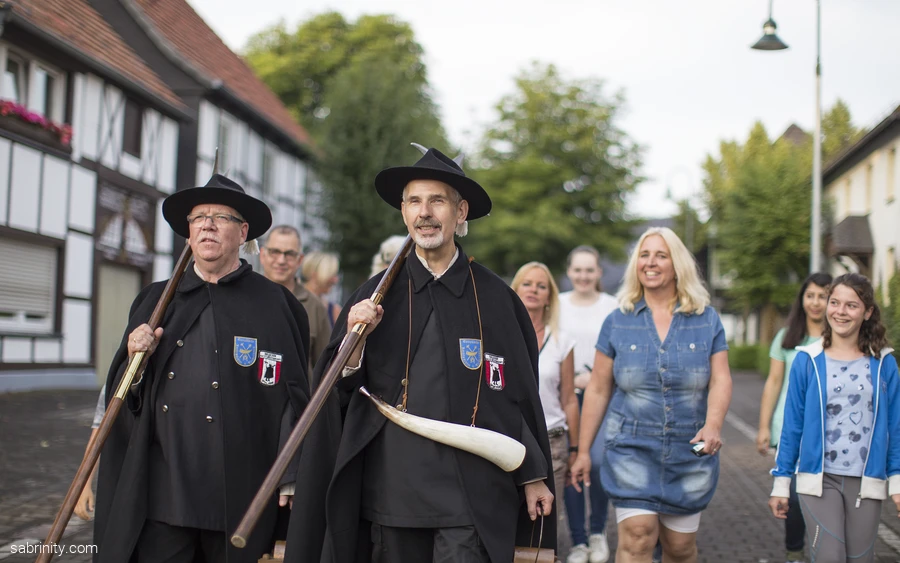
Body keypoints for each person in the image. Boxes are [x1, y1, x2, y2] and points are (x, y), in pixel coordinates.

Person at [286, 147, 556, 563]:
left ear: (460, 211)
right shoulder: (372, 296)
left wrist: (533, 473)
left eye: (437, 201)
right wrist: (354, 343)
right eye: (414, 201)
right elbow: (334, 394)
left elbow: (516, 396)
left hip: (469, 493)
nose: (424, 212)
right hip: (391, 490)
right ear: (403, 212)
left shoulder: (497, 299)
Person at [92, 174, 311, 563]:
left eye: (221, 217)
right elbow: (125, 395)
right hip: (163, 484)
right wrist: (134, 359)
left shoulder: (276, 304)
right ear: (189, 232)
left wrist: (290, 471)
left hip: (239, 486)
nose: (207, 224)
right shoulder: (156, 299)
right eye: (199, 217)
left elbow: (293, 393)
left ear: (243, 232)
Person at [571, 227, 732, 563]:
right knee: (638, 537)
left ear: (677, 264)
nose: (651, 262)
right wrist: (583, 450)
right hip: (631, 447)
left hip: (689, 450)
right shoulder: (618, 321)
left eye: (661, 255)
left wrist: (714, 424)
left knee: (679, 547)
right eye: (644, 255)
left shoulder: (706, 320)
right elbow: (599, 388)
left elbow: (720, 379)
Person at [769, 273, 900, 563]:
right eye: (835, 302)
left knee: (860, 559)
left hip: (867, 480)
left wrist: (897, 481)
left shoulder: (884, 363)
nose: (840, 311)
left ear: (867, 313)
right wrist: (781, 483)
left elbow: (896, 427)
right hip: (819, 479)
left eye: (851, 306)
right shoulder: (808, 360)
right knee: (830, 556)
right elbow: (793, 426)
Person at [756, 272, 831, 563]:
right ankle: (794, 551)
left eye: (822, 296)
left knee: (824, 497)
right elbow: (774, 383)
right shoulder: (787, 338)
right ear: (802, 299)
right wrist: (763, 427)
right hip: (789, 429)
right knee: (796, 498)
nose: (815, 302)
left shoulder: (838, 339)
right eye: (810, 295)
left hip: (827, 432)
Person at [511, 261, 580, 561]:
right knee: (507, 519)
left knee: (542, 524)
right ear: (516, 289)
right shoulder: (502, 334)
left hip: (551, 443)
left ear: (550, 295)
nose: (534, 290)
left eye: (541, 286)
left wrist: (577, 448)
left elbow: (568, 399)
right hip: (509, 440)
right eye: (527, 283)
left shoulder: (562, 341)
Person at [559, 246, 617, 563]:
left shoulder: (613, 306)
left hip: (602, 394)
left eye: (589, 270)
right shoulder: (560, 304)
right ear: (569, 272)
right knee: (571, 465)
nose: (583, 276)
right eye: (578, 270)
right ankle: (579, 541)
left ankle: (597, 532)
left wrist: (596, 378)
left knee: (596, 462)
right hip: (566, 396)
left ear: (599, 273)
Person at [260, 225, 332, 371]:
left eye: (290, 254)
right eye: (275, 252)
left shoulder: (314, 307)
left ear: (300, 260)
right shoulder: (244, 297)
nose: (281, 260)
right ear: (262, 255)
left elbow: (326, 366)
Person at [303, 251, 342, 327]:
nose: (335, 280)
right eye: (330, 275)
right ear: (314, 274)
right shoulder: (292, 301)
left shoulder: (335, 311)